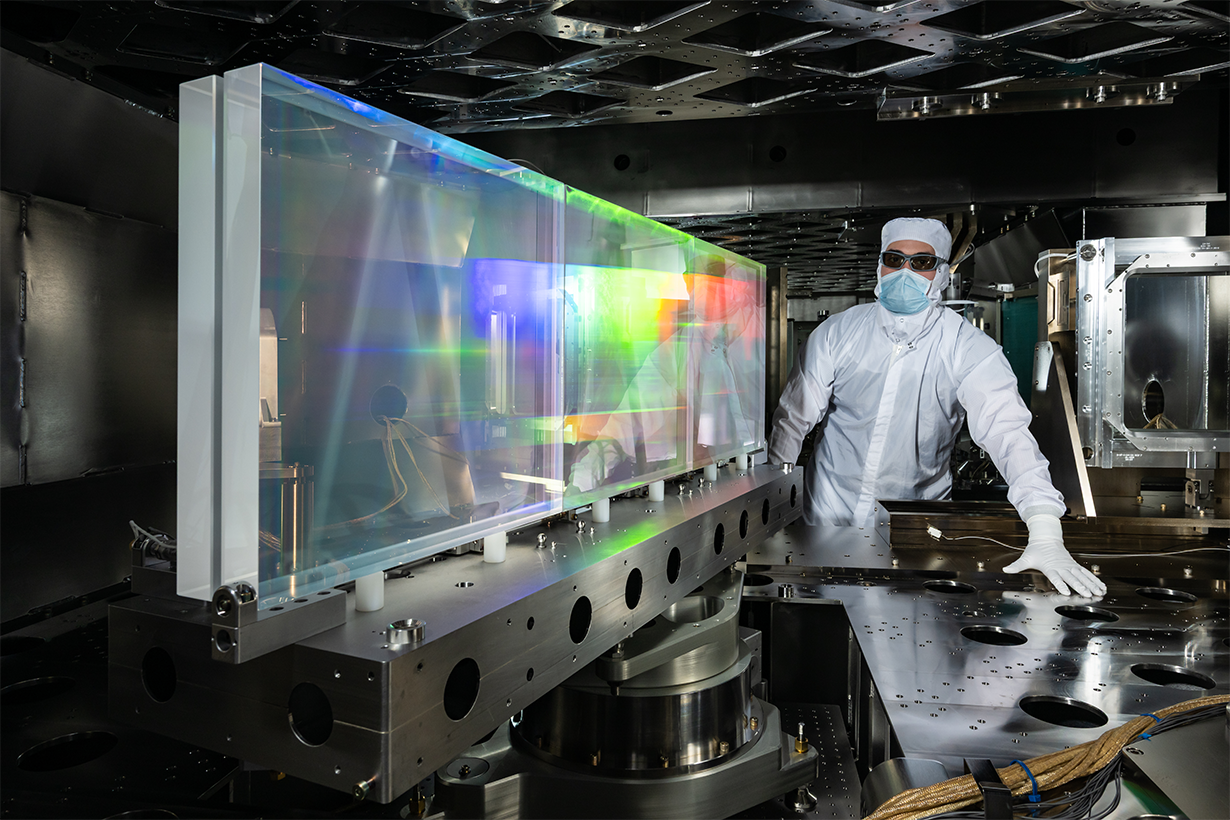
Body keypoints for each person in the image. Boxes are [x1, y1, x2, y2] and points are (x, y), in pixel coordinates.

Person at [768, 217, 1105, 597]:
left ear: (943, 274)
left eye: (921, 263)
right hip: (824, 524)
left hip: (913, 536)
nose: (904, 272)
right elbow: (792, 420)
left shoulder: (968, 348)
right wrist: (771, 509)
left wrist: (1044, 527)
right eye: (894, 259)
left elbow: (1007, 434)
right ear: (879, 265)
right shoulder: (837, 333)